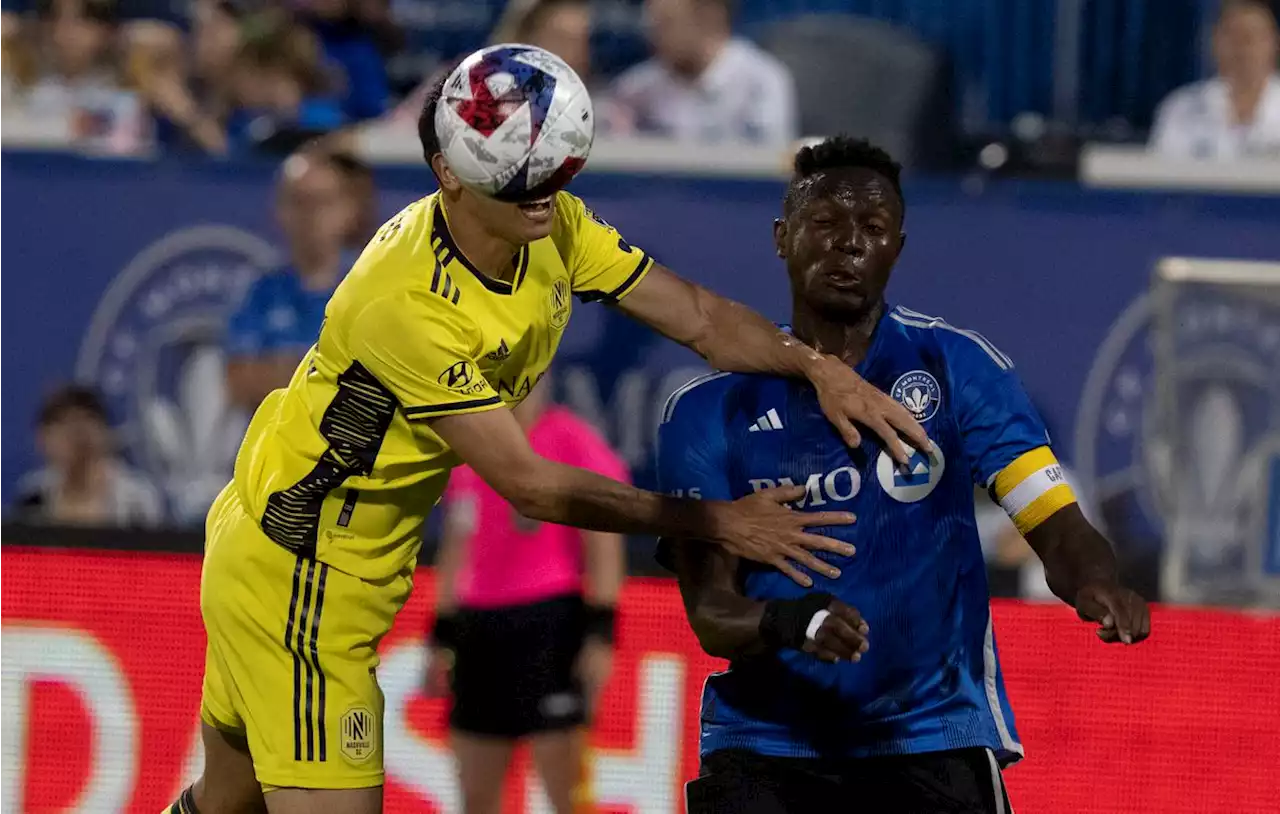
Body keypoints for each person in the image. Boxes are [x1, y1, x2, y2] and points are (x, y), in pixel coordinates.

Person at [167, 63, 931, 814]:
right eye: (519, 177)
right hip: (305, 576)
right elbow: (530, 484)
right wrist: (720, 521)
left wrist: (816, 367)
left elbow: (697, 316)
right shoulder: (404, 304)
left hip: (280, 541)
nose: (541, 191)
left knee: (226, 800)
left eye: (551, 170)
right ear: (449, 174)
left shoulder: (551, 223)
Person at [655, 137, 1151, 813]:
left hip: (932, 742)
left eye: (873, 228)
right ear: (782, 237)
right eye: (825, 224)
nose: (849, 245)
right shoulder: (707, 411)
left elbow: (1054, 521)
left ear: (898, 247)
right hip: (766, 748)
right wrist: (788, 621)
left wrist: (1098, 581)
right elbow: (711, 613)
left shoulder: (959, 369)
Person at [425, 377, 625, 814]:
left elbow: (603, 538)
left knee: (565, 790)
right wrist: (439, 635)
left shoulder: (567, 437)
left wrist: (602, 631)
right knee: (476, 792)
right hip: (478, 627)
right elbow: (457, 543)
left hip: (548, 624)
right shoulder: (470, 449)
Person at [224, 145, 373, 412]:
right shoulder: (257, 289)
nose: (310, 215)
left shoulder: (370, 285)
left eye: (322, 201)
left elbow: (380, 380)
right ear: (280, 210)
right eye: (298, 202)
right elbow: (240, 382)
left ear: (348, 210)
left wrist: (278, 368)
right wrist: (332, 372)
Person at [601, 0, 797, 145]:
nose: (654, 37)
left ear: (710, 17)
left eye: (666, 24)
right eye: (653, 26)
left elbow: (767, 172)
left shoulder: (762, 81)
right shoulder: (635, 89)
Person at [14, 384, 163, 527]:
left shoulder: (136, 499)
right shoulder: (34, 496)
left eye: (84, 422)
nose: (76, 436)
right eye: (64, 425)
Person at [1150, 0, 1280, 160]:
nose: (1243, 49)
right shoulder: (1180, 109)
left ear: (1274, 43)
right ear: (1214, 42)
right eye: (1233, 37)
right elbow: (1160, 177)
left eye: (1250, 38)